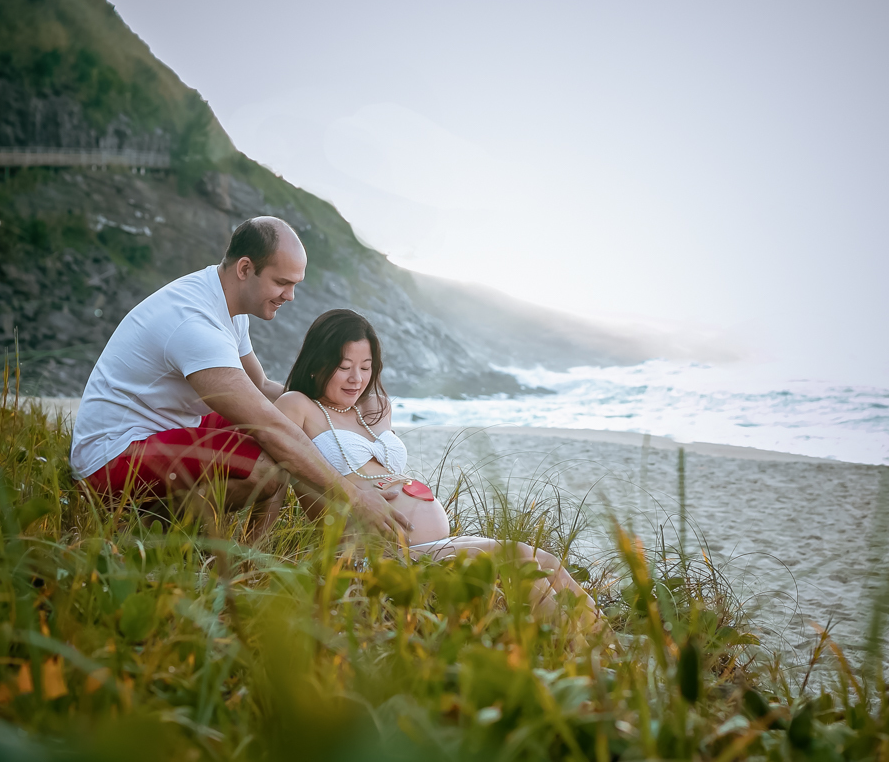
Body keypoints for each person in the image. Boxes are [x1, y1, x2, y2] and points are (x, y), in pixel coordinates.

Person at [70, 217, 411, 541]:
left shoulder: (226, 303)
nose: (290, 296)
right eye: (282, 283)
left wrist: (336, 407)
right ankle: (141, 529)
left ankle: (252, 553)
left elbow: (262, 388)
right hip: (111, 457)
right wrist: (353, 497)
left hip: (163, 430)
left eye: (295, 284)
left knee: (282, 429)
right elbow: (269, 425)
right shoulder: (195, 323)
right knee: (265, 464)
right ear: (245, 268)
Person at [275, 309, 597, 617]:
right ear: (318, 362)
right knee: (516, 557)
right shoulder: (298, 406)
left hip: (431, 542)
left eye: (366, 366)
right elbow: (278, 469)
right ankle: (584, 657)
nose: (356, 379)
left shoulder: (375, 407)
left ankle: (608, 642)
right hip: (373, 555)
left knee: (543, 557)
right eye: (344, 366)